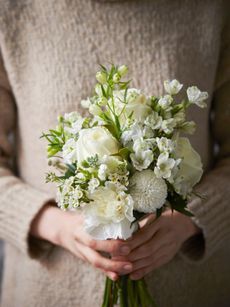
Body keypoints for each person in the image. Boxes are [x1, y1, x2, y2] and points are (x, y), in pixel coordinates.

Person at [0, 0, 230, 306]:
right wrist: (55, 226)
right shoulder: (12, 11)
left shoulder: (213, 9)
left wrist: (189, 222)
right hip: (46, 292)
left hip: (191, 291)